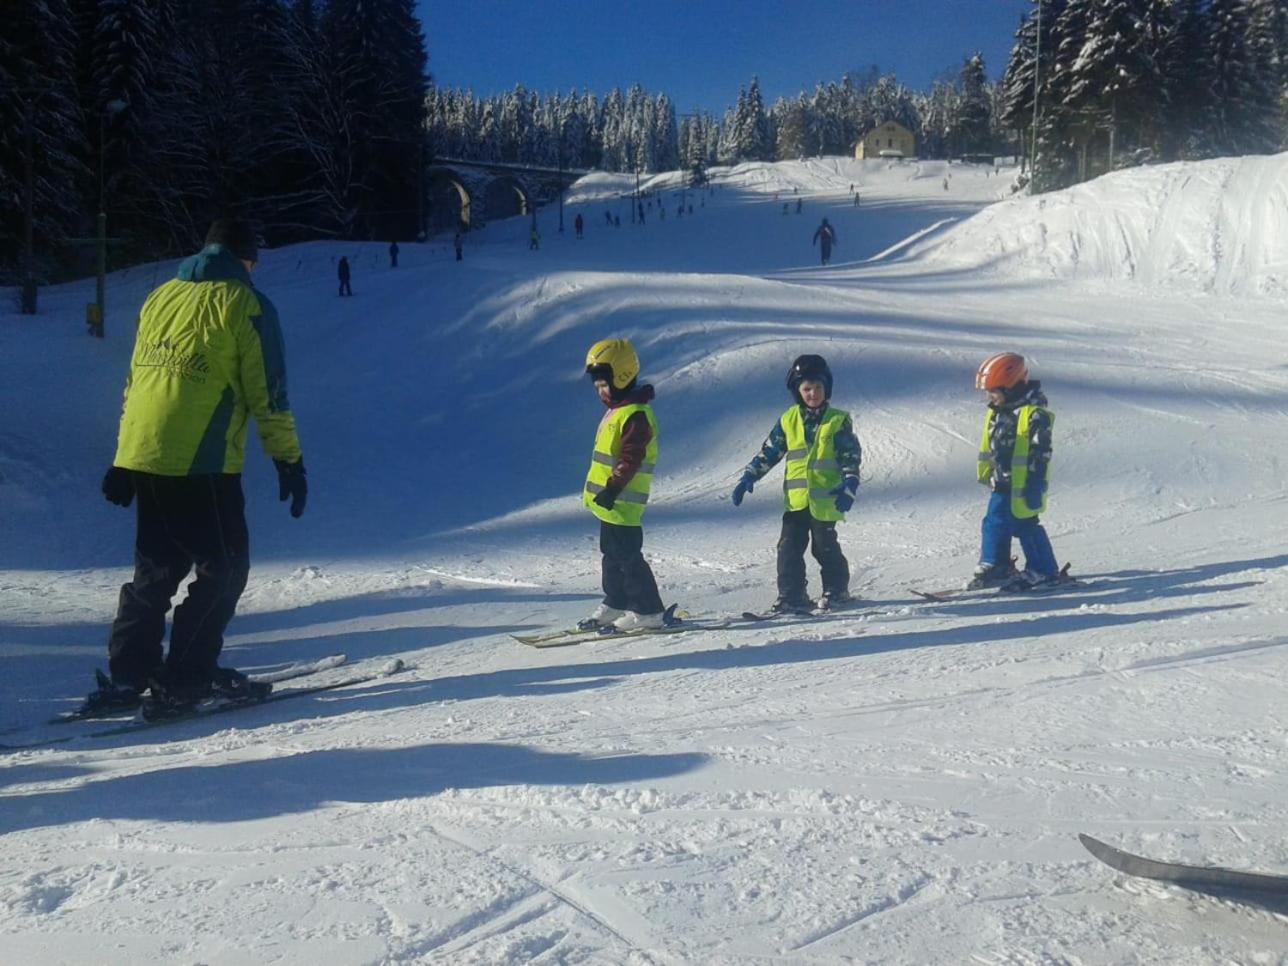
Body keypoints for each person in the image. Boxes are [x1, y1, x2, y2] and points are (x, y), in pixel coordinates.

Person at [87, 218, 307, 717]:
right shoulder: (246, 304)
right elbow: (268, 391)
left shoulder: (161, 296)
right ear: (246, 258)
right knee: (225, 569)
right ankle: (186, 677)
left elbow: (139, 380)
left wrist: (125, 458)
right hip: (201, 460)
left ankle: (129, 673)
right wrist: (288, 460)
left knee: (157, 568)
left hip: (147, 453)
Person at [731, 355, 861, 613]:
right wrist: (749, 476)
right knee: (788, 548)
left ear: (827, 388)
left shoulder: (837, 420)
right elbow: (771, 451)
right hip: (796, 501)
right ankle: (792, 595)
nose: (813, 393)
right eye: (807, 388)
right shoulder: (788, 419)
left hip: (827, 499)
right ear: (797, 391)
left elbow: (850, 455)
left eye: (818, 387)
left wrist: (850, 484)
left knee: (824, 548)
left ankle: (836, 590)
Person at [579, 338, 667, 632]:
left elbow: (631, 458)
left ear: (622, 375)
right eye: (596, 386)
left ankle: (648, 611)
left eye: (604, 384)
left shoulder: (636, 415)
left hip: (622, 502)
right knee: (611, 555)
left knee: (629, 558)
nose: (600, 391)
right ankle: (616, 602)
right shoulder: (619, 410)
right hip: (609, 504)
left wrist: (613, 488)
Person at [968, 352, 1062, 592]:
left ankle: (1041, 570)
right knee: (999, 523)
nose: (990, 397)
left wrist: (1034, 482)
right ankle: (999, 565)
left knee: (1019, 524)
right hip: (1001, 481)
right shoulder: (997, 411)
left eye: (994, 392)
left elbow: (1041, 452)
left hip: (1023, 483)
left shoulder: (1033, 414)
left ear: (1011, 387)